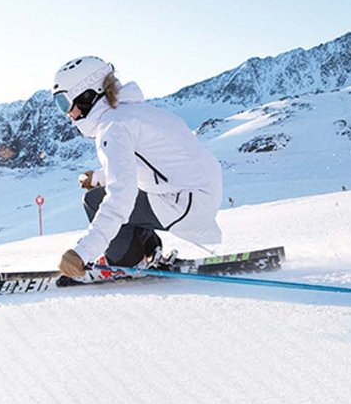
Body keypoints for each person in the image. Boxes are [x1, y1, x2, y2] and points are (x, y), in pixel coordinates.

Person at [51, 55, 224, 279]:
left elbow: (121, 195)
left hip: (184, 202)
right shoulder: (135, 113)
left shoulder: (112, 127)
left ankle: (124, 264)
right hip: (198, 193)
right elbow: (148, 165)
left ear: (87, 95)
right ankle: (150, 252)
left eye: (63, 102)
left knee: (95, 200)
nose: (67, 113)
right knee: (124, 193)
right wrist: (99, 178)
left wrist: (83, 252)